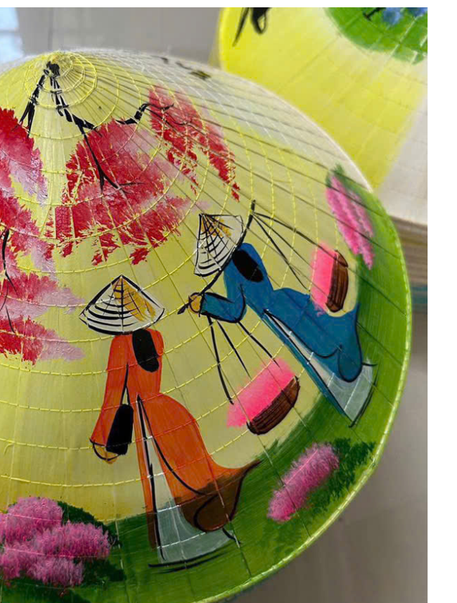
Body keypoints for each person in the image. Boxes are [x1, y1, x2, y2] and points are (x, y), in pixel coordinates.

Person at [82, 275, 260, 565]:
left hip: (148, 421)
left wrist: (101, 439)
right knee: (191, 476)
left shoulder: (120, 345)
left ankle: (178, 546)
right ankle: (213, 531)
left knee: (163, 481)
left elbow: (113, 394)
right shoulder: (156, 337)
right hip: (173, 414)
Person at [186, 242, 374, 422]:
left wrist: (205, 303)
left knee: (311, 351)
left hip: (276, 316)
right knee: (318, 335)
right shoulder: (247, 248)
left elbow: (235, 311)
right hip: (286, 298)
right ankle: (357, 379)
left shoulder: (229, 272)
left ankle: (350, 391)